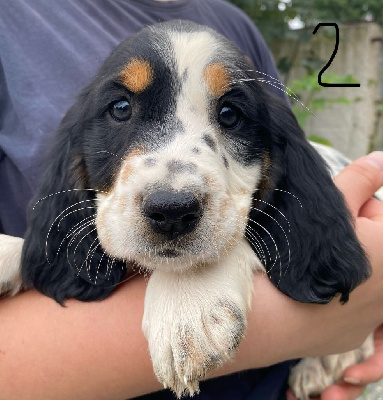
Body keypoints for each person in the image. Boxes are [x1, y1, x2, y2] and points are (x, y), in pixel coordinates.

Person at [0, 1, 382, 399]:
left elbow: (301, 228)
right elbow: (67, 273)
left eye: (230, 115)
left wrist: (366, 317)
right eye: (121, 108)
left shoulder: (237, 24)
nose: (171, 192)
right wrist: (29, 258)